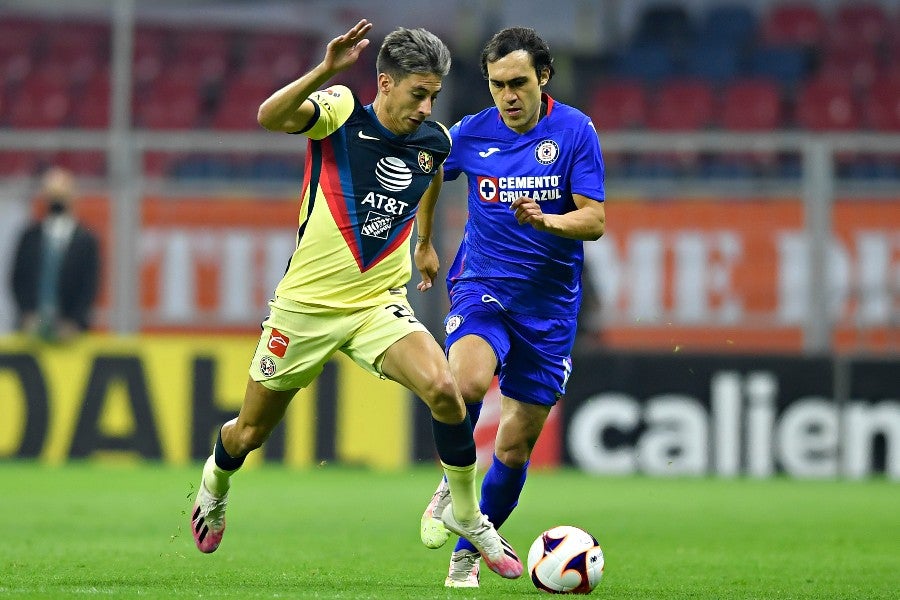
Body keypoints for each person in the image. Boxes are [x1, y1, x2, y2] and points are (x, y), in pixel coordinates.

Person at [188, 19, 522, 581]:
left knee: (445, 390)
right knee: (247, 434)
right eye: (418, 93)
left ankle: (468, 517)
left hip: (376, 304)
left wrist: (422, 242)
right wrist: (324, 70)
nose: (426, 106)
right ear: (386, 84)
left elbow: (431, 174)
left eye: (434, 95)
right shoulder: (341, 110)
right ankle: (214, 485)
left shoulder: (433, 141)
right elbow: (270, 118)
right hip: (306, 308)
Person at [418, 27, 606, 588]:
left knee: (516, 446)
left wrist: (550, 220)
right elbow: (431, 165)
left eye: (518, 83)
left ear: (543, 77)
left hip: (549, 309)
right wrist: (423, 241)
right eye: (498, 85)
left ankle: (467, 549)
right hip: (483, 287)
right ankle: (454, 486)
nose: (508, 96)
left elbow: (593, 220)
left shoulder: (574, 131)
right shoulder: (472, 133)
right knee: (467, 383)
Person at [9, 166, 101, 342]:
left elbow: (90, 285)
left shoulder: (86, 240)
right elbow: (17, 279)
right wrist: (27, 314)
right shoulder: (30, 237)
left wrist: (74, 321)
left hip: (73, 332)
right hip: (31, 328)